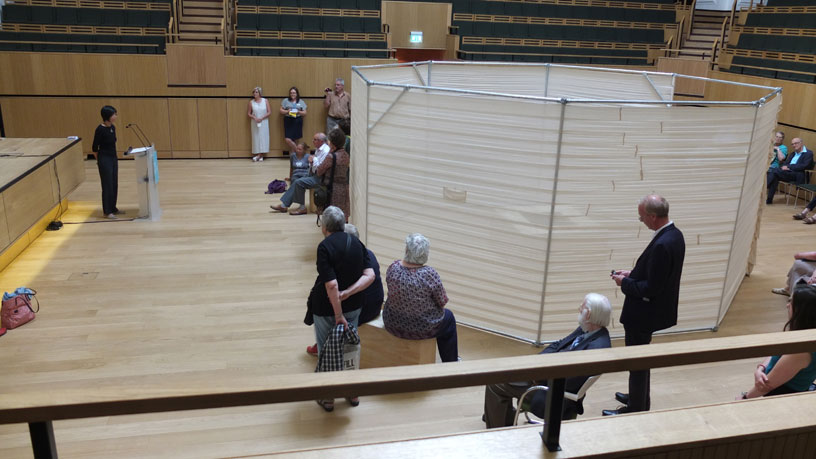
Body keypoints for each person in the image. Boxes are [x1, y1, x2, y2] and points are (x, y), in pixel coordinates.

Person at [604, 194, 685, 416]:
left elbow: (651, 288)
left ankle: (636, 407)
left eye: (642, 218)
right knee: (641, 359)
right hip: (655, 310)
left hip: (643, 314)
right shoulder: (675, 235)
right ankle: (638, 396)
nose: (642, 222)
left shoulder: (662, 244)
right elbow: (658, 275)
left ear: (652, 216)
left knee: (637, 361)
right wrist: (633, 273)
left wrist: (625, 282)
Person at [483, 293, 612, 428]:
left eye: (582, 307)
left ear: (589, 314)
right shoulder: (587, 329)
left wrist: (539, 376)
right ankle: (502, 418)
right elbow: (558, 344)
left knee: (494, 383)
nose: (579, 308)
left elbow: (571, 380)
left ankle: (496, 429)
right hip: (545, 374)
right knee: (503, 371)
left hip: (553, 394)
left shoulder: (597, 349)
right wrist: (537, 364)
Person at [307, 206, 374, 411]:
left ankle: (328, 397)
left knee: (327, 349)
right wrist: (349, 293)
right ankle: (352, 392)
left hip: (327, 309)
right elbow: (369, 276)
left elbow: (331, 285)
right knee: (349, 348)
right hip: (354, 306)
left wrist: (338, 314)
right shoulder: (357, 242)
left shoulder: (324, 247)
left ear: (325, 227)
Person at [306, 223, 384, 356]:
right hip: (375, 306)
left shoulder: (344, 260)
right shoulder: (368, 254)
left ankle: (325, 346)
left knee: (323, 304)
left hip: (360, 311)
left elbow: (333, 289)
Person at [382, 233, 459, 362]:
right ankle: (450, 362)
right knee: (449, 318)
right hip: (422, 328)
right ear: (425, 254)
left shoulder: (393, 268)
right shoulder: (429, 274)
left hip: (392, 322)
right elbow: (442, 302)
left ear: (406, 250)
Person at [738, 284, 816, 400]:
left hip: (782, 396)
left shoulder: (800, 352)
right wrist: (761, 368)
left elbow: (767, 385)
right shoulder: (805, 334)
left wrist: (744, 398)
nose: (787, 305)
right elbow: (777, 354)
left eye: (791, 303)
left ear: (801, 311)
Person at [271, 132, 330, 215]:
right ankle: (284, 205)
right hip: (313, 173)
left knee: (299, 182)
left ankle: (301, 208)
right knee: (296, 180)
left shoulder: (325, 151)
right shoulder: (319, 149)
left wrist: (313, 160)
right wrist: (313, 161)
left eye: (315, 140)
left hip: (320, 178)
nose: (313, 141)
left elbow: (320, 168)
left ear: (320, 141)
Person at [91, 105, 121, 219]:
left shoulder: (113, 127)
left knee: (114, 183)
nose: (116, 116)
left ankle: (113, 207)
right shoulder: (100, 129)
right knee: (107, 184)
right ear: (107, 116)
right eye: (114, 114)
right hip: (104, 159)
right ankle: (107, 211)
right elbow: (94, 147)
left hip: (113, 157)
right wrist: (100, 160)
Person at [315, 129, 350, 218]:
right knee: (342, 213)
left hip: (332, 189)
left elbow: (319, 171)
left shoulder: (331, 157)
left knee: (332, 216)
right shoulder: (346, 155)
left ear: (332, 143)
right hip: (344, 187)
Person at [767, 138, 812, 205]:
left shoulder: (808, 153)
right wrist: (785, 167)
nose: (794, 145)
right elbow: (786, 163)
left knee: (774, 171)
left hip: (797, 175)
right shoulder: (793, 153)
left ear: (801, 143)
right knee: (774, 175)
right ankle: (769, 200)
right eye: (792, 144)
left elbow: (804, 166)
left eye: (795, 143)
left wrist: (789, 167)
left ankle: (762, 190)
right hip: (787, 173)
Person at [280, 86, 307, 155]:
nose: (292, 94)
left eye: (294, 93)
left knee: (296, 139)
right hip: (288, 120)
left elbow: (305, 113)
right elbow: (281, 110)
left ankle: (293, 156)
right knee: (288, 139)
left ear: (297, 94)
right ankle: (299, 152)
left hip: (297, 120)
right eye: (291, 93)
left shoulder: (301, 101)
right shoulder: (286, 100)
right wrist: (287, 111)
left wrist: (299, 112)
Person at [247, 87, 271, 162]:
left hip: (264, 121)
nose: (255, 93)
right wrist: (254, 118)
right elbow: (248, 113)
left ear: (260, 93)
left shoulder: (265, 101)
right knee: (256, 137)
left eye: (256, 92)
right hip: (255, 122)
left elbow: (269, 112)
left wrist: (262, 118)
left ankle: (260, 155)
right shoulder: (251, 102)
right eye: (254, 92)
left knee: (263, 137)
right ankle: (259, 155)